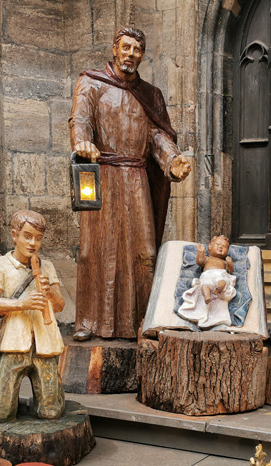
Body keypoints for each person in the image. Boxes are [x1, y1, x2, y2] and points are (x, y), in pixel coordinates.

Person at [70, 27, 192, 341]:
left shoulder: (150, 95)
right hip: (103, 175)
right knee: (96, 250)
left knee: (144, 251)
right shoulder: (91, 82)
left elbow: (156, 135)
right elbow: (80, 120)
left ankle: (142, 320)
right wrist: (83, 142)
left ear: (142, 55)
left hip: (137, 179)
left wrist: (172, 160)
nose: (131, 54)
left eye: (137, 49)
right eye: (126, 47)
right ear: (115, 48)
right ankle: (88, 321)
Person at [0, 210, 65, 423]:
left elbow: (59, 306)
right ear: (14, 235)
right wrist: (22, 304)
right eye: (27, 236)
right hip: (14, 344)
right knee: (0, 414)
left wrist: (50, 293)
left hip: (44, 343)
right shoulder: (0, 264)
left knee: (51, 412)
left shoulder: (46, 266)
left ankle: (48, 404)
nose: (33, 243)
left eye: (38, 238)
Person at [177, 235, 237, 329]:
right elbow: (199, 261)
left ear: (227, 251)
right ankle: (207, 295)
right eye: (218, 244)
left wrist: (230, 263)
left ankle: (219, 288)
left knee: (223, 281)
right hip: (208, 274)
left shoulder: (224, 262)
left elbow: (230, 271)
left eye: (224, 247)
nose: (220, 247)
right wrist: (200, 252)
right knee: (205, 283)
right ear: (210, 246)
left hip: (220, 275)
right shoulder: (207, 259)